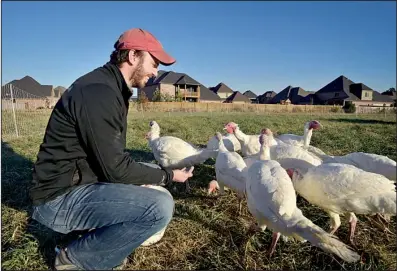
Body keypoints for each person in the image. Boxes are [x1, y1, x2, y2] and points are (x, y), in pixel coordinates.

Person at [29, 28, 194, 270]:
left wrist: (148, 177)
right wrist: (168, 175)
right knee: (159, 207)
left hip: (79, 182)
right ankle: (75, 258)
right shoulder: (99, 92)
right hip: (57, 200)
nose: (156, 71)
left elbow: (111, 160)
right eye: (154, 62)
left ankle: (97, 238)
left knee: (148, 173)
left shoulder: (110, 87)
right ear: (133, 56)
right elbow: (115, 169)